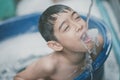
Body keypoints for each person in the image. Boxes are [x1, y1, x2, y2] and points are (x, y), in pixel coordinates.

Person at [14, 4, 103, 80]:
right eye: (66, 28)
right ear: (56, 45)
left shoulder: (97, 42)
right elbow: (18, 78)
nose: (78, 26)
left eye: (77, 18)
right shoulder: (49, 66)